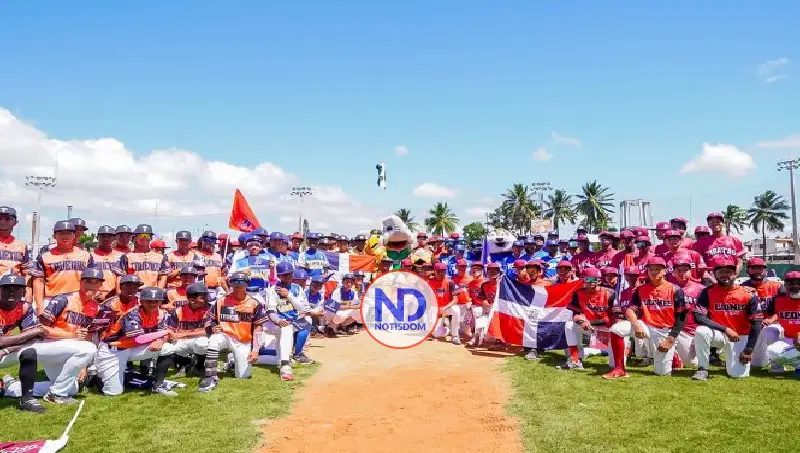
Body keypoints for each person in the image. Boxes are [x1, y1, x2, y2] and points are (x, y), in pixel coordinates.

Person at [610, 257, 689, 378]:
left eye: (658, 269)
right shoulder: (641, 289)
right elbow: (630, 310)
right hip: (646, 326)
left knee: (662, 373)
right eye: (651, 269)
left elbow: (681, 317)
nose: (654, 272)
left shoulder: (675, 289)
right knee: (616, 329)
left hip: (665, 331)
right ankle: (619, 368)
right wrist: (636, 324)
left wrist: (670, 339)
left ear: (664, 271)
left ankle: (674, 357)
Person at [36, 268, 105, 403]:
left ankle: (11, 387)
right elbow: (40, 329)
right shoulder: (63, 299)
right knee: (90, 348)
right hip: (49, 345)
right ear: (80, 282)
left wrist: (82, 366)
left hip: (71, 349)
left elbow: (87, 337)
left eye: (96, 282)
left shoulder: (95, 308)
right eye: (88, 281)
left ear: (100, 285)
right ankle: (56, 395)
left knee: (72, 388)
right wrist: (72, 335)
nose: (92, 286)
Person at [96, 286, 178, 396]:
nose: (152, 304)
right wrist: (165, 332)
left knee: (167, 348)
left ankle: (158, 386)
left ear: (160, 302)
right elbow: (138, 339)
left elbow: (161, 333)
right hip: (112, 351)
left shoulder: (160, 314)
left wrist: (161, 340)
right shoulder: (133, 314)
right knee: (113, 393)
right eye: (148, 301)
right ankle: (96, 377)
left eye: (156, 301)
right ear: (141, 301)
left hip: (132, 349)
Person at [692, 256, 763, 380]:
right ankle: (702, 369)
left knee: (738, 375)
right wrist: (725, 329)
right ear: (714, 274)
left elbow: (756, 323)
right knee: (701, 331)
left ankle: (731, 362)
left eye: (728, 271)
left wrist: (749, 349)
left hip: (740, 336)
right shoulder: (707, 292)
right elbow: (698, 317)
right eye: (720, 272)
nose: (724, 274)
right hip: (720, 333)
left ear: (735, 274)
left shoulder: (748, 294)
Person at [199, 272, 269, 392]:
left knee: (243, 376)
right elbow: (209, 319)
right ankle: (210, 376)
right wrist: (213, 327)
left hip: (243, 341)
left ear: (246, 285)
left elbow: (258, 328)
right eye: (235, 284)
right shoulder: (221, 301)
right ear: (231, 284)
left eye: (241, 284)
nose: (238, 287)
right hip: (225, 335)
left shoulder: (255, 303)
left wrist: (255, 350)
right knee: (214, 340)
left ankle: (232, 362)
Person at [0, 274, 47, 413]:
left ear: (24, 292)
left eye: (16, 288)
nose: (11, 292)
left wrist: (7, 350)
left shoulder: (24, 307)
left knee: (29, 352)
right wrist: (33, 331)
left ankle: (27, 399)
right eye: (7, 288)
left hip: (3, 352)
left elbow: (36, 339)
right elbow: (1, 341)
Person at [30, 220, 94, 315]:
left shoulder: (86, 255)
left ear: (74, 235)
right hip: (51, 299)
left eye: (68, 233)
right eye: (61, 233)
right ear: (54, 235)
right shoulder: (44, 256)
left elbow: (91, 282)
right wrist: (39, 306)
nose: (65, 236)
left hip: (77, 299)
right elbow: (38, 281)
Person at [560, 267, 616, 371]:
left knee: (614, 366)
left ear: (599, 280)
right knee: (569, 325)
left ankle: (616, 358)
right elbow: (575, 315)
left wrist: (589, 322)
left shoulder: (611, 293)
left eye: (592, 279)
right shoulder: (578, 293)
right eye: (586, 279)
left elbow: (612, 319)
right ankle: (575, 360)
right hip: (589, 327)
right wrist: (581, 321)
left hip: (607, 330)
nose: (589, 282)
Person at [264, 262, 313, 371]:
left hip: (292, 322)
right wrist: (278, 321)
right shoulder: (272, 290)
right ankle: (285, 364)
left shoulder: (298, 288)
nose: (288, 277)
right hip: (274, 324)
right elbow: (271, 311)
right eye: (284, 275)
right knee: (286, 330)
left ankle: (297, 353)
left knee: (307, 321)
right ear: (279, 276)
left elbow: (303, 309)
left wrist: (289, 296)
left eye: (290, 274)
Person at [165, 282, 212, 378]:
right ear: (191, 300)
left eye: (206, 296)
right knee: (166, 347)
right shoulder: (178, 311)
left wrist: (184, 335)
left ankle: (199, 366)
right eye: (202, 297)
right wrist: (171, 336)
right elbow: (169, 330)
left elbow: (208, 332)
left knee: (203, 343)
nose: (206, 299)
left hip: (198, 339)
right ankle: (183, 365)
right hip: (181, 341)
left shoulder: (209, 310)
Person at [758, 271, 800, 373]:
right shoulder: (777, 300)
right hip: (788, 339)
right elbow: (779, 313)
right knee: (771, 342)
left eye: (798, 283)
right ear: (785, 285)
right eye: (791, 283)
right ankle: (777, 367)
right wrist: (771, 319)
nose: (795, 286)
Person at [118, 224, 169, 289]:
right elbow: (121, 277)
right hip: (133, 292)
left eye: (147, 235)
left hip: (153, 292)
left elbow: (162, 278)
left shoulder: (160, 257)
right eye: (141, 235)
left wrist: (158, 292)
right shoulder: (126, 257)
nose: (144, 238)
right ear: (136, 238)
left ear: (151, 238)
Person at [429, 262, 464, 345]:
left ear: (445, 271)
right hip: (435, 308)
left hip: (446, 307)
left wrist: (444, 308)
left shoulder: (450, 282)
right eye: (438, 271)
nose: (439, 273)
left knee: (456, 310)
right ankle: (448, 328)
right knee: (436, 334)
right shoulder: (429, 282)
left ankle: (455, 335)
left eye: (442, 271)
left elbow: (455, 299)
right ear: (434, 271)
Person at [0, 206, 30, 276]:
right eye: (0, 218)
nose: (3, 221)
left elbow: (25, 271)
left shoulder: (22, 246)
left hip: (14, 282)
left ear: (15, 222)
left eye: (8, 218)